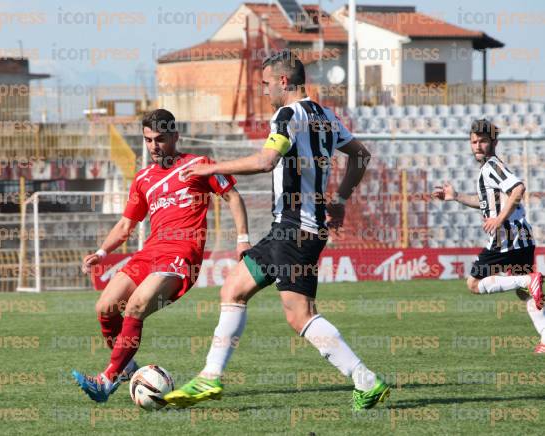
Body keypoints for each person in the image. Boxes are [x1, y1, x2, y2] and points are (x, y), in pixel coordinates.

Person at [165, 50, 390, 411]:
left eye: (267, 84)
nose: (265, 91)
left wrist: (210, 168)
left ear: (283, 81)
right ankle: (209, 378)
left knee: (299, 314)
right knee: (234, 288)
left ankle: (366, 379)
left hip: (296, 229)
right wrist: (341, 199)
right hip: (288, 228)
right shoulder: (326, 115)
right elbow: (360, 155)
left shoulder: (287, 114)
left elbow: (266, 161)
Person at [72, 109, 251, 402]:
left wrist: (242, 240)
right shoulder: (143, 178)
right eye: (148, 140)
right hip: (150, 253)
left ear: (175, 137)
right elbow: (127, 224)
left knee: (136, 305)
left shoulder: (198, 165)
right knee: (105, 307)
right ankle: (127, 367)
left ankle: (106, 381)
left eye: (160, 139)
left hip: (181, 255)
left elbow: (232, 196)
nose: (154, 146)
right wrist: (102, 251)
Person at [432, 119, 544, 353]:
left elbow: (519, 189)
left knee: (473, 284)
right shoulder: (487, 170)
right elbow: (485, 203)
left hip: (506, 237)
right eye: (473, 142)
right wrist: (456, 196)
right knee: (526, 294)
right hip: (521, 237)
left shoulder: (492, 165)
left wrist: (499, 219)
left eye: (482, 141)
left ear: (494, 142)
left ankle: (529, 280)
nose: (477, 146)